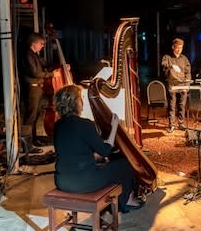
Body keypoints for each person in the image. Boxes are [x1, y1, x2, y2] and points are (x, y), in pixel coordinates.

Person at [53, 84, 142, 213]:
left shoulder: (58, 126)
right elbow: (105, 151)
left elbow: (72, 150)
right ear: (74, 103)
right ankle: (127, 200)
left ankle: (117, 202)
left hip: (61, 181)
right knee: (124, 164)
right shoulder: (85, 124)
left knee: (104, 166)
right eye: (80, 98)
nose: (82, 101)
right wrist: (114, 127)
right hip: (85, 182)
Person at [20, 32, 55, 153]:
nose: (42, 46)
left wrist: (59, 66)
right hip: (32, 89)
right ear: (34, 44)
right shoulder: (27, 56)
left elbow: (44, 63)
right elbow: (35, 73)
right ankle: (27, 146)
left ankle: (33, 140)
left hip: (37, 89)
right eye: (41, 44)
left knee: (35, 116)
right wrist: (51, 74)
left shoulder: (34, 55)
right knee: (30, 117)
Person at [161, 38, 192, 133]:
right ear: (173, 47)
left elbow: (188, 72)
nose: (179, 49)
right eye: (177, 48)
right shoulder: (167, 57)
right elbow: (163, 64)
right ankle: (172, 125)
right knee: (172, 105)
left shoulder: (184, 59)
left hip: (182, 84)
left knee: (182, 105)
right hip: (172, 84)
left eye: (181, 48)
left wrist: (187, 85)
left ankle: (181, 123)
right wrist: (170, 66)